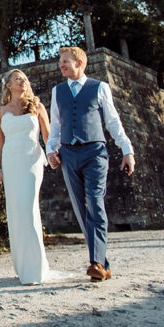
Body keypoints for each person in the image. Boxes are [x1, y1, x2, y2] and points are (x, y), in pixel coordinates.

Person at [46, 46, 136, 282]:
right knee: (80, 208)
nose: (61, 65)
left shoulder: (99, 87)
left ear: (80, 63)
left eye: (66, 61)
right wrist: (50, 151)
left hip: (95, 153)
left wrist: (127, 150)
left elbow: (113, 122)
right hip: (68, 154)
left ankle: (95, 262)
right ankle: (102, 263)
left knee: (95, 203)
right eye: (60, 62)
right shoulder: (57, 92)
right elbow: (55, 126)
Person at [0, 68, 53, 285]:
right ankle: (22, 265)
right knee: (16, 211)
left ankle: (35, 269)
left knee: (29, 209)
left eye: (25, 79)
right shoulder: (0, 112)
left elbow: (48, 135)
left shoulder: (37, 106)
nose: (23, 81)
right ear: (9, 85)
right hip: (10, 163)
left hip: (32, 161)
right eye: (18, 78)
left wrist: (54, 154)